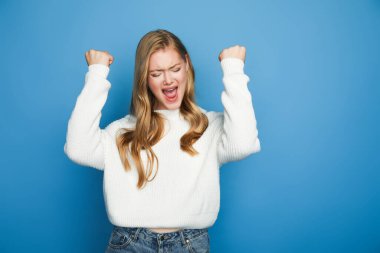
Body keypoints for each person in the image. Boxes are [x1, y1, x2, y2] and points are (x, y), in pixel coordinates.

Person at [64, 29, 261, 252]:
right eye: (156, 73)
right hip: (130, 244)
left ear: (187, 64)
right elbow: (78, 149)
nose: (168, 80)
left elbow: (243, 143)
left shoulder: (210, 126)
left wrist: (234, 70)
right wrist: (96, 75)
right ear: (144, 78)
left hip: (190, 245)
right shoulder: (121, 131)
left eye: (175, 69)